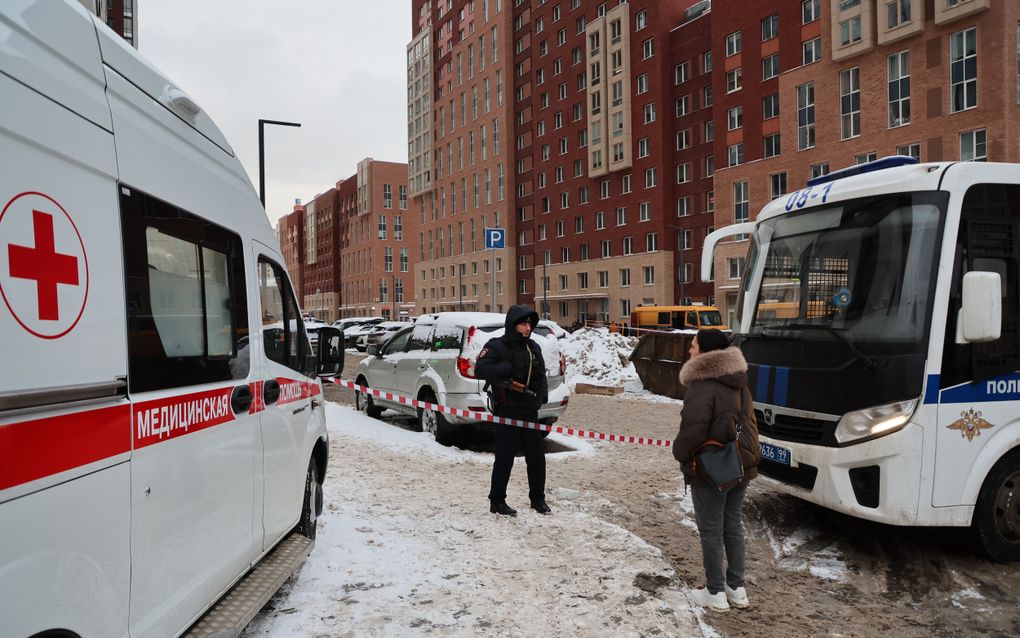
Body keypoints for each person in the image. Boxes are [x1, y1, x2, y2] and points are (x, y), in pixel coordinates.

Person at [672, 329, 760, 612]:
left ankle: (715, 592)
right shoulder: (739, 381)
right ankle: (737, 588)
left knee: (711, 529)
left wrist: (680, 453)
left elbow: (693, 431)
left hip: (712, 466)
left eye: (694, 345)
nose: (690, 351)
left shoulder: (703, 384)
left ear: (706, 352)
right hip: (741, 464)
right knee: (732, 525)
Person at [475, 304, 551, 517]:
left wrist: (543, 395)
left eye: (530, 324)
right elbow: (479, 369)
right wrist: (505, 368)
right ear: (513, 324)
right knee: (505, 458)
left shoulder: (534, 347)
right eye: (523, 324)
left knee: (536, 457)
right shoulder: (498, 346)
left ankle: (538, 499)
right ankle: (497, 501)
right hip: (507, 411)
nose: (528, 328)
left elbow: (541, 373)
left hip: (530, 412)